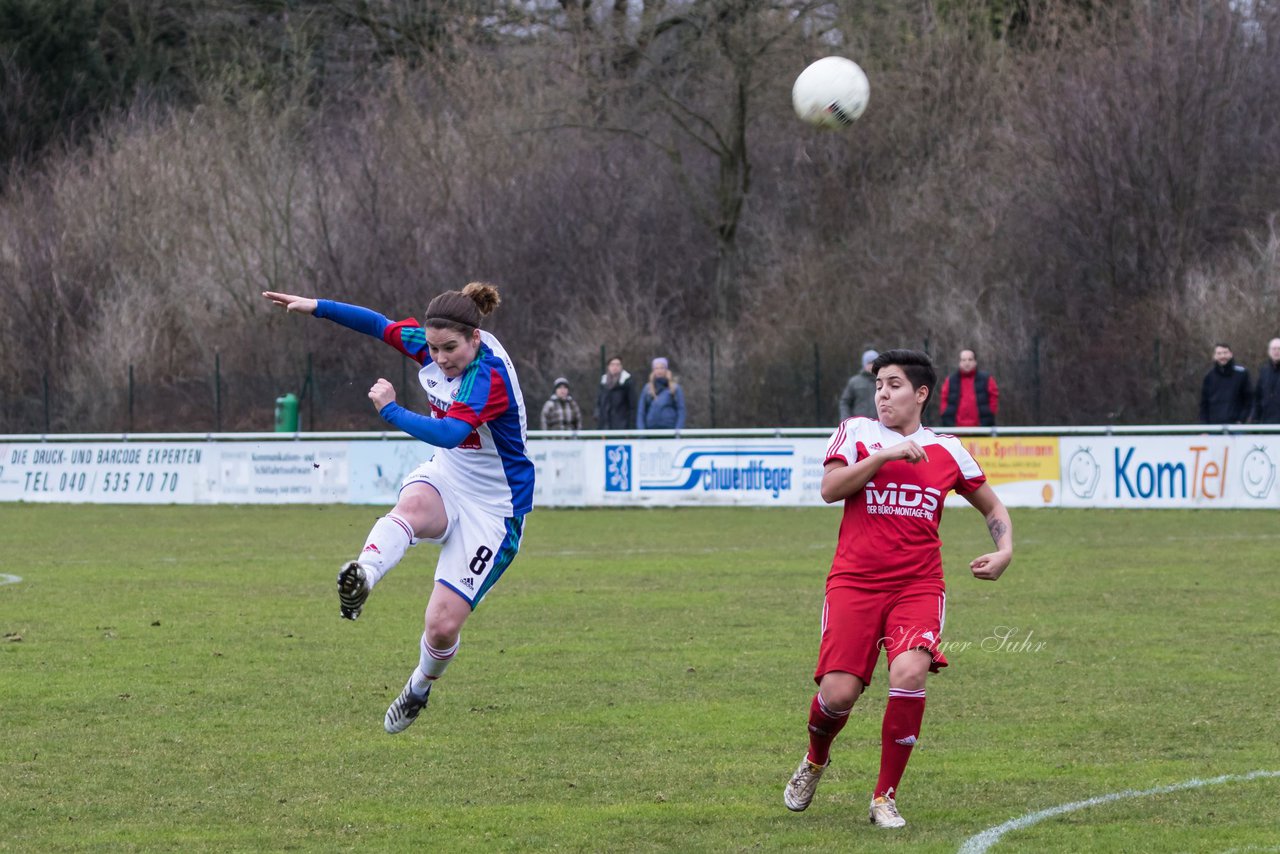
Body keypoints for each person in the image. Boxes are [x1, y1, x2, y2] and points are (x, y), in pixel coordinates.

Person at [262, 283, 534, 735]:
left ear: (475, 340)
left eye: (451, 349)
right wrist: (315, 307)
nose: (442, 358)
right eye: (434, 348)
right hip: (448, 476)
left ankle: (419, 688)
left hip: (496, 509)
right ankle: (362, 577)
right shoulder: (431, 346)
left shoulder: (489, 378)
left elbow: (448, 433)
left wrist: (390, 410)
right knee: (409, 509)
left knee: (442, 627)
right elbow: (376, 324)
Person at [783, 349, 1013, 829]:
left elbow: (993, 507)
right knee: (839, 694)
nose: (883, 394)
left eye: (893, 385)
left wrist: (1005, 548)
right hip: (854, 584)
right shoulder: (858, 433)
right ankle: (815, 760)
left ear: (921, 393)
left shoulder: (947, 449)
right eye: (879, 386)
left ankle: (884, 797)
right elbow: (830, 489)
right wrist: (885, 454)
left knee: (909, 674)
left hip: (918, 585)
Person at [938, 349, 998, 428]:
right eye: (964, 360)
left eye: (970, 359)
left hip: (982, 430)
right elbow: (943, 400)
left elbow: (994, 398)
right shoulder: (950, 381)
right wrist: (946, 416)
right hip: (956, 431)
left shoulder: (987, 379)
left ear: (975, 362)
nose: (967, 363)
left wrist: (990, 414)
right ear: (959, 362)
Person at [1199, 342, 1252, 424]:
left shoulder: (1242, 374)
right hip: (1214, 428)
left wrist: (1241, 419)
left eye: (1225, 353)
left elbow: (1249, 400)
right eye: (1219, 353)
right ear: (1214, 356)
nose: (1222, 356)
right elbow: (1204, 404)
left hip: (1236, 427)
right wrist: (1204, 427)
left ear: (1231, 354)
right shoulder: (1209, 377)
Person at [636, 357, 686, 430]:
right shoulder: (647, 388)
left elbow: (681, 410)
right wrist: (641, 431)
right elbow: (641, 411)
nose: (659, 371)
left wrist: (678, 430)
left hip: (669, 429)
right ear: (653, 370)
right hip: (651, 429)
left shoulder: (675, 388)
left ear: (666, 369)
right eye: (656, 368)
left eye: (662, 368)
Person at [839, 349, 879, 421]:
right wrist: (846, 421)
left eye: (874, 362)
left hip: (880, 425)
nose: (872, 365)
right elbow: (845, 403)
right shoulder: (854, 382)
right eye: (869, 363)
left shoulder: (884, 381)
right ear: (864, 364)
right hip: (859, 425)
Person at [595, 356, 635, 429]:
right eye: (612, 364)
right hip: (605, 426)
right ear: (608, 367)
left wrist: (630, 426)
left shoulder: (627, 382)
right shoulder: (603, 383)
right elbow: (599, 402)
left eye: (617, 365)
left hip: (622, 426)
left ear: (621, 366)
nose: (615, 367)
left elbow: (632, 406)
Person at [1252, 338, 1280, 423]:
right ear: (1269, 352)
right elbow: (1258, 396)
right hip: (1266, 421)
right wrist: (1255, 418)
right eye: (1274, 349)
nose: (1276, 351)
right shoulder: (1264, 371)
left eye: (1279, 349)